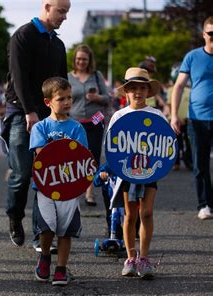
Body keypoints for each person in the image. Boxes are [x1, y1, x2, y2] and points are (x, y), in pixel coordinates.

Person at [2, 0, 70, 248]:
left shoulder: (59, 44)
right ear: (47, 6)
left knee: (46, 177)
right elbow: (18, 77)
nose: (64, 17)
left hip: (51, 117)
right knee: (21, 174)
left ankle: (40, 235)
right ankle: (14, 217)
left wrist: (64, 114)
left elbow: (62, 83)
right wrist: (30, 111)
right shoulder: (23, 35)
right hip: (22, 113)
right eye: (61, 11)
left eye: (67, 12)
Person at [108, 67, 164, 279]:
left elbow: (164, 145)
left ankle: (145, 258)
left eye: (142, 88)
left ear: (148, 91)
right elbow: (112, 146)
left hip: (150, 171)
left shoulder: (157, 115)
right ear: (127, 91)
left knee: (146, 213)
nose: (137, 92)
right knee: (130, 214)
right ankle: (130, 257)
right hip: (126, 172)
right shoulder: (119, 115)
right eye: (133, 88)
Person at [30, 77, 86, 286]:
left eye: (70, 98)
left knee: (65, 229)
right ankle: (45, 256)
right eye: (61, 98)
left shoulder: (77, 128)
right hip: (46, 186)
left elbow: (82, 157)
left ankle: (61, 268)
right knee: (47, 227)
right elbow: (41, 153)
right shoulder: (40, 128)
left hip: (70, 187)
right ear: (48, 102)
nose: (67, 102)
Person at [171, 16, 213, 220]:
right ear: (204, 34)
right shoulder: (193, 56)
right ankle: (204, 204)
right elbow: (178, 86)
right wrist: (173, 115)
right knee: (200, 163)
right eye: (211, 33)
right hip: (198, 118)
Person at [68, 44, 110, 207]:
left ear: (89, 60)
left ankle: (89, 193)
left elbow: (107, 98)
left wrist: (97, 98)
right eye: (78, 59)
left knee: (92, 157)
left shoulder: (96, 75)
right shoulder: (68, 77)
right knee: (74, 158)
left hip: (95, 122)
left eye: (84, 59)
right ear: (75, 60)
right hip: (74, 123)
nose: (81, 62)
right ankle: (72, 192)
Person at [166, 64, 192, 171]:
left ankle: (189, 161)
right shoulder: (171, 90)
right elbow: (169, 104)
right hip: (175, 120)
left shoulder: (189, 90)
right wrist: (175, 116)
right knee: (175, 142)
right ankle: (175, 163)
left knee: (188, 141)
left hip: (187, 120)